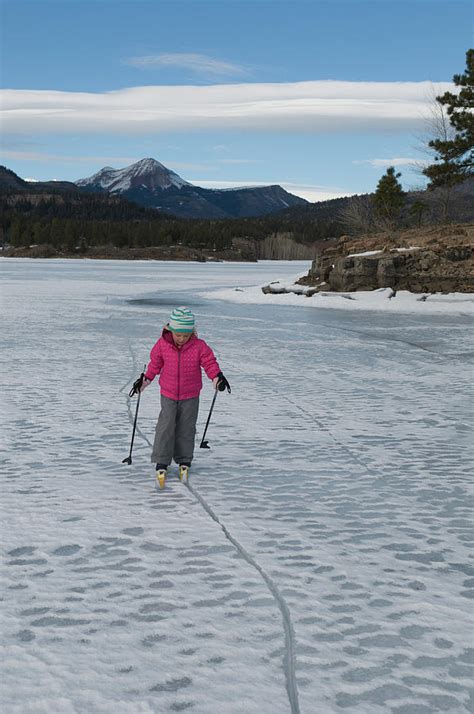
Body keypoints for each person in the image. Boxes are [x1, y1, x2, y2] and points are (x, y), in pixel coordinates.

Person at [131, 306, 230, 488]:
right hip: (168, 393)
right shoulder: (162, 345)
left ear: (191, 332)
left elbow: (209, 363)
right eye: (179, 335)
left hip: (190, 394)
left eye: (186, 335)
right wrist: (145, 381)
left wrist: (217, 378)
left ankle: (184, 460)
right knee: (166, 425)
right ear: (171, 329)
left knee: (186, 427)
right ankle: (162, 461)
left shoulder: (199, 346)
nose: (182, 339)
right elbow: (155, 365)